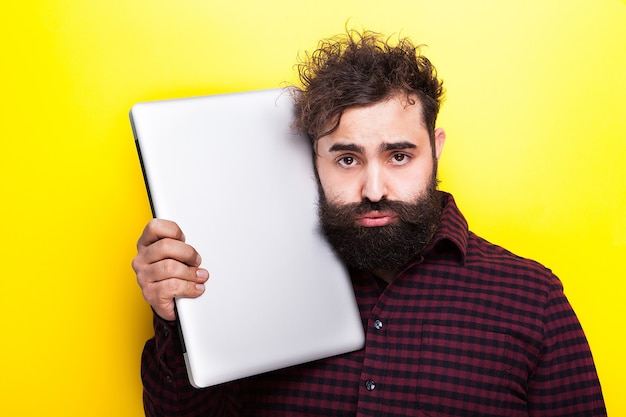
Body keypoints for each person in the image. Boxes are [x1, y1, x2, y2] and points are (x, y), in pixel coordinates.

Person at [132, 29, 606, 416]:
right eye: (347, 159)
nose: (374, 189)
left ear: (435, 149)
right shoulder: (258, 287)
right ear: (311, 157)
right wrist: (178, 317)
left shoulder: (532, 299)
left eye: (399, 155)